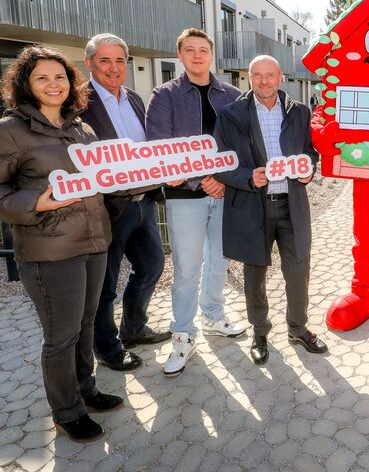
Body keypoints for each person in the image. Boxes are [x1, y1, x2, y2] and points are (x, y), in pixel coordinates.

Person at [0, 47, 125, 442]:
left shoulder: (81, 129)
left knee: (85, 324)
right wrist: (36, 203)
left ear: (70, 82)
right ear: (25, 84)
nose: (53, 84)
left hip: (93, 244)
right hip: (50, 251)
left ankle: (86, 391)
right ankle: (66, 411)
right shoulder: (6, 131)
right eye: (42, 77)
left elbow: (102, 180)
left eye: (60, 76)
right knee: (61, 336)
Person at [213, 55, 327, 365]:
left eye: (270, 75)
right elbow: (220, 163)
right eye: (257, 75)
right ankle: (260, 332)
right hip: (253, 206)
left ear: (280, 78)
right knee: (255, 274)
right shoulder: (231, 114)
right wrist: (247, 177)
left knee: (298, 270)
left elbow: (310, 152)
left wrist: (308, 170)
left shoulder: (300, 112)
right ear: (249, 78)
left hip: (291, 205)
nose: (264, 81)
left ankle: (298, 329)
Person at [146, 28, 246, 377]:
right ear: (180, 55)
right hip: (184, 196)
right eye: (190, 49)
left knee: (220, 261)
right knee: (187, 269)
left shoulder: (232, 95)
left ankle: (214, 316)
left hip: (224, 193)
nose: (197, 55)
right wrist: (200, 178)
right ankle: (183, 335)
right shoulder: (165, 95)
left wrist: (222, 180)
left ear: (211, 55)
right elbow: (160, 144)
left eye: (203, 49)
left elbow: (241, 145)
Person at [80, 33, 169, 372]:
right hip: (108, 208)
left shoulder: (133, 98)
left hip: (142, 201)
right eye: (105, 60)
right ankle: (107, 347)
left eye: (120, 60)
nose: (114, 68)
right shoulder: (78, 102)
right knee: (104, 283)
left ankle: (133, 328)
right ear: (89, 63)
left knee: (152, 265)